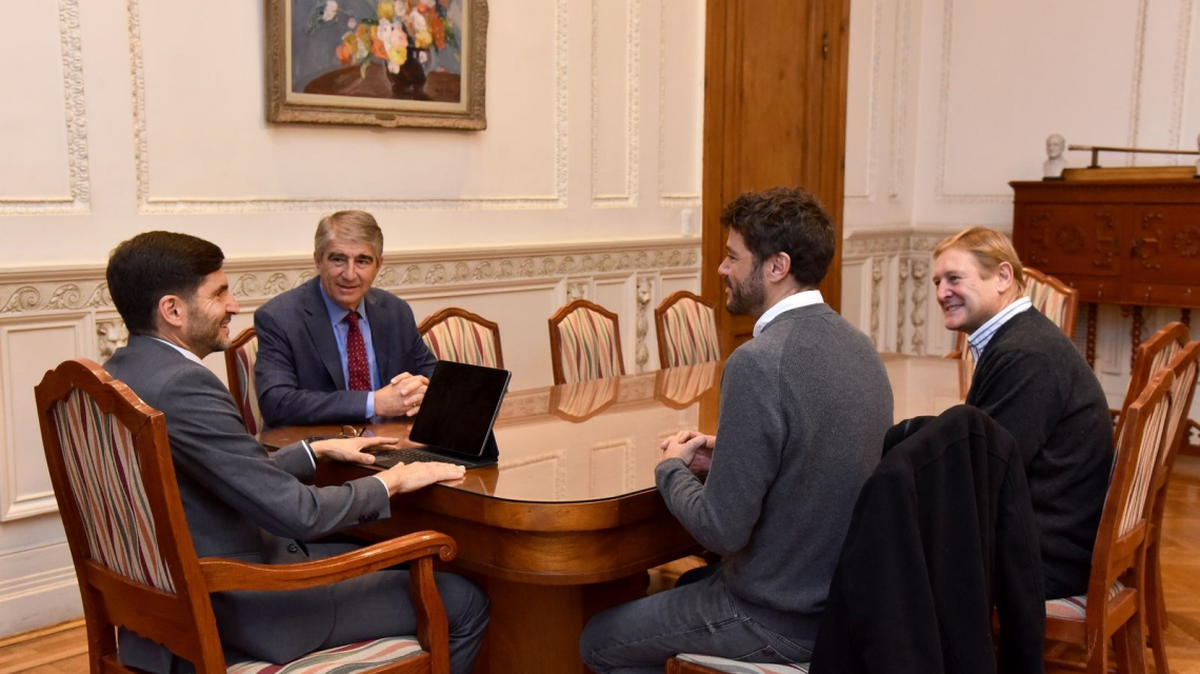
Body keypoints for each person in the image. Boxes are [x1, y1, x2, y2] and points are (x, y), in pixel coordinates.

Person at [103, 231, 488, 674]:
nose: (233, 306)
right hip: (249, 609)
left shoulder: (124, 373)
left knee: (357, 546)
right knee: (464, 598)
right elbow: (298, 514)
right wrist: (393, 480)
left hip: (168, 608)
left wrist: (315, 450)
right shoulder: (185, 386)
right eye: (220, 293)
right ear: (173, 309)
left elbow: (214, 475)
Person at [579, 187, 895, 672]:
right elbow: (816, 453)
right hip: (844, 613)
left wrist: (670, 470)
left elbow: (721, 530)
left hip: (774, 619)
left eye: (732, 257)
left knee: (598, 639)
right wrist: (725, 452)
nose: (722, 269)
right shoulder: (860, 347)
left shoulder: (758, 362)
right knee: (683, 587)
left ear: (776, 266)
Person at [931, 226, 1112, 599]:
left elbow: (980, 474)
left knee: (882, 540)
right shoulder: (1021, 337)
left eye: (953, 279)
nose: (941, 293)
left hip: (1044, 557)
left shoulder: (1025, 354)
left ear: (1002, 276)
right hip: (1047, 535)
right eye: (937, 282)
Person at [254, 210, 437, 428]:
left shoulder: (395, 311)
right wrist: (373, 403)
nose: (350, 275)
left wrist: (421, 391)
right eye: (338, 259)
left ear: (379, 265)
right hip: (322, 451)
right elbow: (277, 403)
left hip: (395, 444)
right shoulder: (280, 317)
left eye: (362, 261)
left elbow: (433, 376)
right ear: (317, 260)